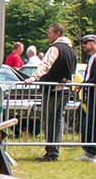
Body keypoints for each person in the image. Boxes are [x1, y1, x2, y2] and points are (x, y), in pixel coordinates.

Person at [25, 23, 77, 159]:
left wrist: (33, 77)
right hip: (65, 89)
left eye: (50, 33)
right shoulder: (72, 50)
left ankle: (52, 152)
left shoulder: (55, 48)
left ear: (57, 33)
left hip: (54, 90)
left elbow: (45, 64)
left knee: (50, 121)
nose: (48, 35)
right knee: (58, 120)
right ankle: (53, 151)